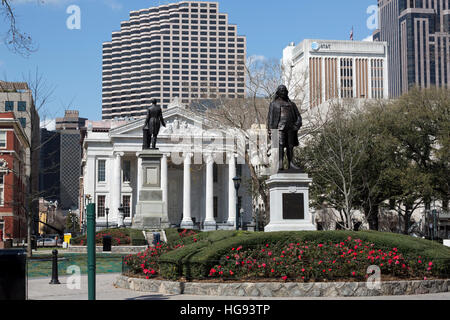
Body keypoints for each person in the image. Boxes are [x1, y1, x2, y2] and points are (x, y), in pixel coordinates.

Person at [267, 85, 302, 171]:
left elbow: (298, 116)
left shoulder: (291, 104)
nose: (283, 92)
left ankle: (291, 163)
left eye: (285, 90)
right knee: (280, 145)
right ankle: (280, 163)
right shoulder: (274, 104)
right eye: (281, 90)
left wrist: (297, 125)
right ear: (278, 92)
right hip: (279, 128)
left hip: (290, 128)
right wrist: (270, 130)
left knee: (290, 146)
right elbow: (270, 117)